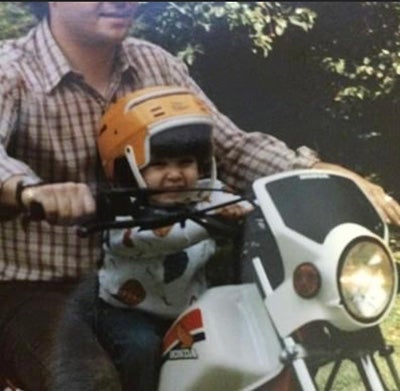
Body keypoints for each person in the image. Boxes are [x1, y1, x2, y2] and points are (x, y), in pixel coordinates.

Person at [0, 2, 398, 390]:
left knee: (268, 350)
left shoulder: (155, 65)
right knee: (89, 381)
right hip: (42, 287)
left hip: (154, 280)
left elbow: (230, 147)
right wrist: (27, 188)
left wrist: (315, 171)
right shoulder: (13, 69)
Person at [51, 85, 255, 391]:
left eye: (185, 162)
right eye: (159, 164)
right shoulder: (123, 213)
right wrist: (210, 223)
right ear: (128, 167)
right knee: (142, 349)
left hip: (188, 308)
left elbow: (236, 205)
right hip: (126, 312)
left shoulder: (205, 195)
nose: (174, 174)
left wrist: (247, 209)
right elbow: (156, 239)